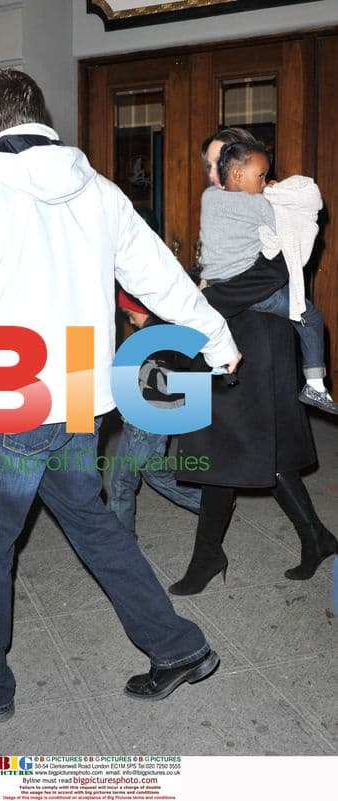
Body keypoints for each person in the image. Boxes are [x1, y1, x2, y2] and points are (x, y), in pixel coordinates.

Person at [0, 69, 241, 719]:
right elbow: (159, 273)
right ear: (40, 116)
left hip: (11, 381)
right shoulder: (99, 190)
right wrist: (216, 338)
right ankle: (178, 648)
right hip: (78, 378)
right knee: (92, 522)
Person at [167, 131, 337, 596]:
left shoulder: (267, 208)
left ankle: (210, 556)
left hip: (257, 349)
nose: (210, 174)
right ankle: (313, 537)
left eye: (216, 163)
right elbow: (224, 270)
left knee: (233, 451)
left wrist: (203, 301)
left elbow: (271, 274)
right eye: (207, 166)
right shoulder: (226, 207)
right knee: (246, 451)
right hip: (229, 346)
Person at [200, 139, 337, 414]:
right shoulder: (259, 204)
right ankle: (315, 386)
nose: (264, 183)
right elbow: (289, 224)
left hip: (217, 281)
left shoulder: (210, 198)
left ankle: (219, 362)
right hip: (253, 288)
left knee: (217, 323)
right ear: (238, 174)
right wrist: (277, 194)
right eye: (261, 176)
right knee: (309, 317)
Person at [109, 288, 201, 538]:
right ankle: (210, 504)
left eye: (130, 314)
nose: (130, 321)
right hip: (158, 415)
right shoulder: (169, 330)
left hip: (145, 418)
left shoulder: (151, 339)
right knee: (155, 473)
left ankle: (120, 542)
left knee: (122, 481)